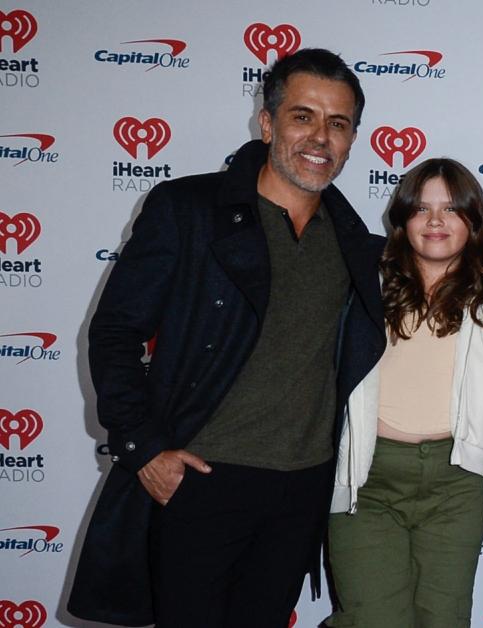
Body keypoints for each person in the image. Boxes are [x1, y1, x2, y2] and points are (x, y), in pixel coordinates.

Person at [67, 49, 383, 628]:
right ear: (267, 123)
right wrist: (142, 447)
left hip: (303, 487)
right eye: (303, 116)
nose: (320, 137)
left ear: (353, 138)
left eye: (338, 124)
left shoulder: (355, 241)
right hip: (202, 480)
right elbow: (114, 331)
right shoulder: (188, 211)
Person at [326, 158, 483, 627]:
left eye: (451, 209)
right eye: (422, 209)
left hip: (455, 484)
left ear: (473, 221)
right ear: (403, 218)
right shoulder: (362, 283)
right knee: (373, 620)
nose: (435, 221)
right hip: (368, 480)